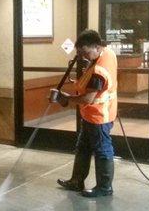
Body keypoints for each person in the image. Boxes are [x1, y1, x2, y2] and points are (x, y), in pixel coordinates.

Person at [50, 29, 118, 197]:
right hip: (91, 115)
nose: (83, 57)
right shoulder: (107, 53)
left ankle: (104, 188)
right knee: (83, 147)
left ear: (96, 46)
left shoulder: (100, 71)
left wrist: (66, 98)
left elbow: (88, 99)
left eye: (85, 52)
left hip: (99, 116)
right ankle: (76, 181)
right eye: (80, 54)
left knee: (102, 149)